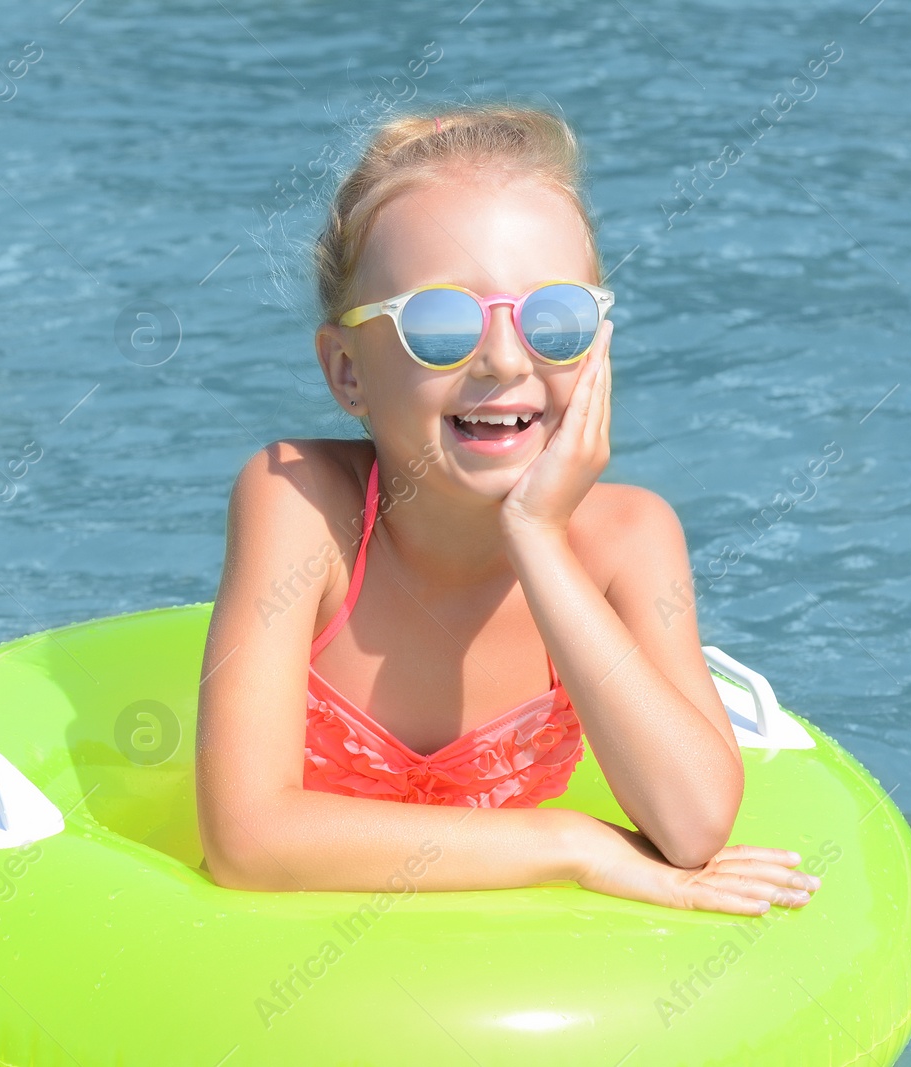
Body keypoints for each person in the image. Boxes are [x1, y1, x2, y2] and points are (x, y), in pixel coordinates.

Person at [195, 103, 819, 916]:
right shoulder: (301, 505)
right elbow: (247, 840)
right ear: (348, 371)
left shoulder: (628, 540)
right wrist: (572, 843)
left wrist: (538, 536)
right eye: (440, 324)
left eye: (554, 319)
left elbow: (694, 825)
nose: (503, 358)